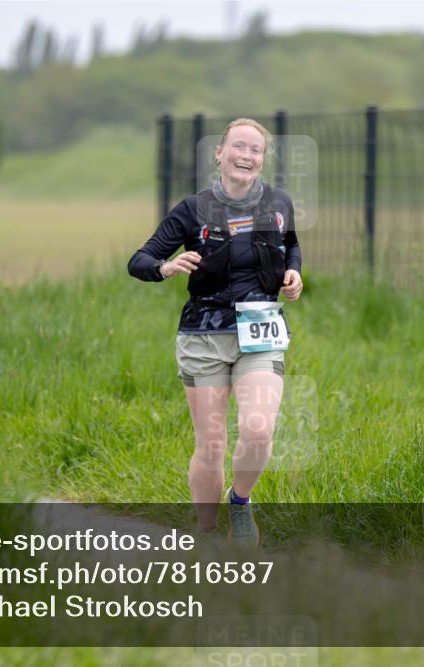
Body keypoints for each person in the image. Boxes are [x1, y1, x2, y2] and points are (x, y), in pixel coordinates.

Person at [128, 118, 303, 549]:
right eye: (238, 147)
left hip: (259, 333)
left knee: (259, 428)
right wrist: (166, 266)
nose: (247, 156)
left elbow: (291, 243)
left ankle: (239, 502)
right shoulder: (192, 209)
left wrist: (294, 271)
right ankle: (206, 533)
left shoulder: (279, 203)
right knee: (211, 443)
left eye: (256, 150)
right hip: (203, 336)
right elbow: (140, 259)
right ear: (219, 154)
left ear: (263, 159)